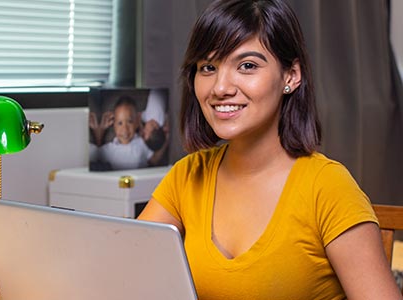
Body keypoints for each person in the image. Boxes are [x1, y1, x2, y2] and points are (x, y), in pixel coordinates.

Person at [137, 0, 403, 299]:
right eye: (208, 67)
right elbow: (124, 266)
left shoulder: (328, 187)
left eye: (247, 65)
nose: (220, 87)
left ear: (290, 76)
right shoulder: (187, 175)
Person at [90, 95, 166, 170]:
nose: (125, 129)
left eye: (130, 122)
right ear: (114, 125)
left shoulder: (142, 142)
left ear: (136, 123)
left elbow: (154, 160)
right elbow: (97, 156)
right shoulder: (109, 148)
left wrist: (167, 137)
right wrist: (100, 132)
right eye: (120, 123)